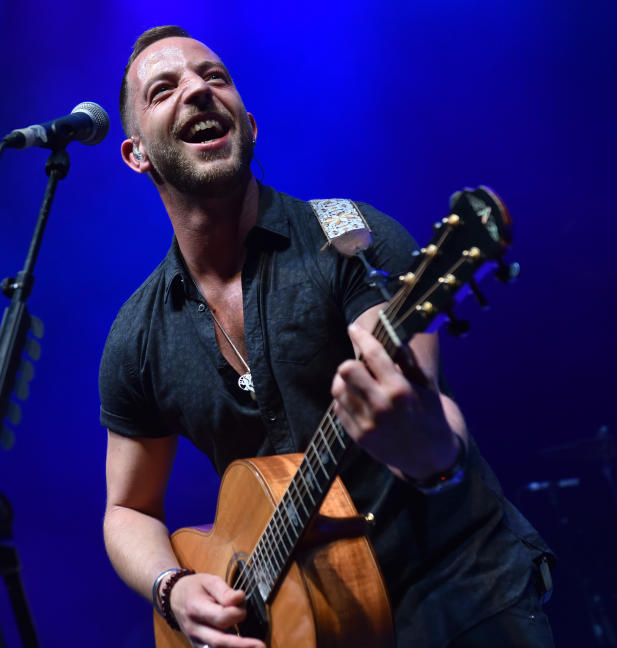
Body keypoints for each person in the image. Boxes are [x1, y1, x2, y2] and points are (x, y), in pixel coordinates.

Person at [100, 25, 554, 648]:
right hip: (307, 628)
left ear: (249, 123)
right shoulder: (138, 334)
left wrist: (425, 442)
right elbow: (127, 510)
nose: (199, 92)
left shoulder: (347, 234)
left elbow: (418, 398)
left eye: (215, 77)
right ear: (137, 154)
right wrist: (172, 587)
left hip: (454, 592)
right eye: (164, 89)